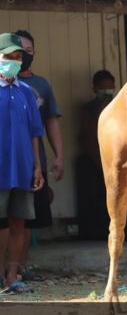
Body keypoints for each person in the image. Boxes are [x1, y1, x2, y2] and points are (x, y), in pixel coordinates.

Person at [14, 30, 64, 281]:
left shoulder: (40, 85)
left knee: (27, 220)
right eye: (19, 50)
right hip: (6, 164)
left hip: (34, 164)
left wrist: (59, 156)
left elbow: (49, 123)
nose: (24, 56)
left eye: (29, 51)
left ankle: (18, 269)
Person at [0, 32, 45, 293]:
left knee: (19, 222)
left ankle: (12, 276)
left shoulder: (27, 92)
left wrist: (37, 166)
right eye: (7, 57)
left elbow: (34, 132)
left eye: (17, 58)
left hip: (23, 169)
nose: (13, 62)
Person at [75, 70, 115, 239]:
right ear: (94, 89)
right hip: (94, 159)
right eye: (102, 88)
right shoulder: (88, 109)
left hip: (115, 159)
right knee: (96, 197)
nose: (106, 92)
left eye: (109, 88)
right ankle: (95, 233)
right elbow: (89, 135)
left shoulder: (119, 106)